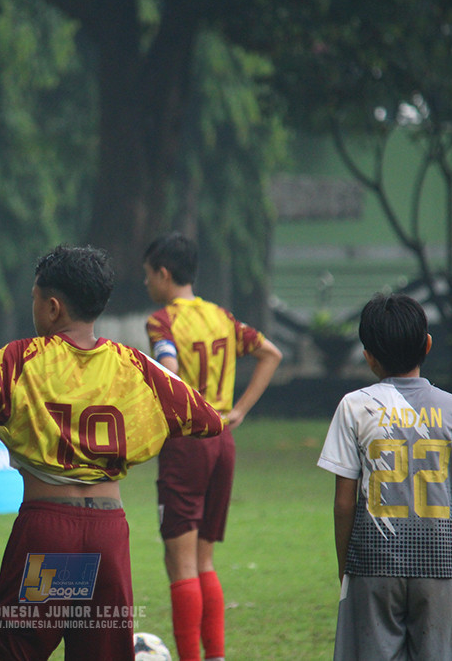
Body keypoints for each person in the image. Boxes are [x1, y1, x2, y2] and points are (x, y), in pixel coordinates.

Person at [0, 244, 225, 661]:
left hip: (50, 533)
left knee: (15, 651)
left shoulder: (21, 359)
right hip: (107, 534)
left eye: (35, 300)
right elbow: (207, 419)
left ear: (53, 307)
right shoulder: (133, 365)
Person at [317, 293, 452, 660]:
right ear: (428, 345)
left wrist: (347, 569)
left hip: (372, 563)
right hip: (440, 564)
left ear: (368, 355)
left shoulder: (355, 407)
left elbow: (343, 504)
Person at [142, 232, 282, 661]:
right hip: (223, 439)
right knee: (203, 561)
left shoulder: (162, 321)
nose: (147, 284)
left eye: (148, 276)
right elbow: (270, 353)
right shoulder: (222, 316)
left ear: (164, 274)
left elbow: (168, 371)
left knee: (179, 563)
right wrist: (238, 410)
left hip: (188, 442)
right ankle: (215, 656)